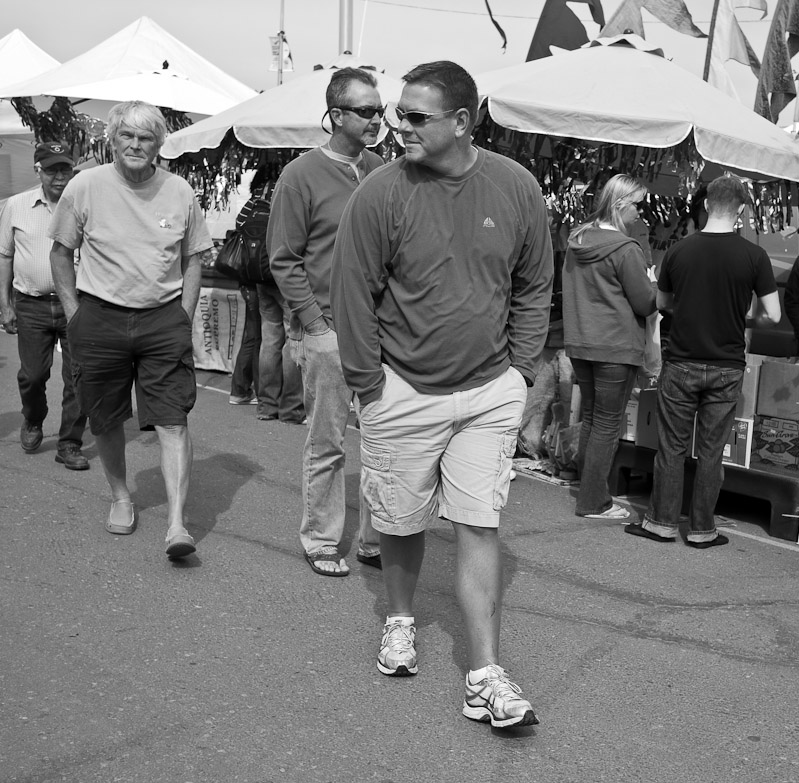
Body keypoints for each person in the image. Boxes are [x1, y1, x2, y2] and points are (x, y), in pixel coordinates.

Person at [331, 61, 553, 727]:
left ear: (461, 121)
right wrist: (370, 387)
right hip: (401, 390)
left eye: (415, 116)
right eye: (396, 113)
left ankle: (484, 674)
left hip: (488, 393)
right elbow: (352, 292)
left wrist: (519, 370)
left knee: (479, 524)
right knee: (400, 523)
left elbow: (534, 281)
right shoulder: (380, 192)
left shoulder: (515, 187)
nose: (398, 125)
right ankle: (400, 619)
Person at [49, 101, 214, 559]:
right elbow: (60, 252)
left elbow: (193, 258)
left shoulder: (179, 190)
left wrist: (182, 314)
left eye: (146, 138)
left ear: (159, 144)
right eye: (128, 135)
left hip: (163, 320)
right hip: (99, 317)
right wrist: (74, 313)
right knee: (105, 416)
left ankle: (177, 523)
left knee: (173, 418)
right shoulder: (85, 185)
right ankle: (121, 497)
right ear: (113, 139)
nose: (136, 145)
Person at [267, 67, 384, 575]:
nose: (377, 119)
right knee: (328, 441)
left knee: (383, 442)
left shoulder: (382, 169)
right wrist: (315, 326)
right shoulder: (300, 175)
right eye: (366, 110)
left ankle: (376, 538)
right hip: (329, 331)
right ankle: (320, 538)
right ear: (336, 115)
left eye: (380, 110)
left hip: (378, 332)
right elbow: (283, 258)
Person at [626, 175, 781, 548]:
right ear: (741, 210)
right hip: (727, 365)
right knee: (712, 452)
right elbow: (774, 315)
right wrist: (741, 316)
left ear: (707, 205)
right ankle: (702, 529)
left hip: (681, 361)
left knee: (672, 448)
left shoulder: (679, 250)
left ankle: (661, 524)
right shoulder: (755, 256)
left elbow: (662, 303)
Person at [562, 174, 657, 519]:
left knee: (592, 419)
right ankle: (593, 501)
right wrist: (655, 286)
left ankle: (589, 491)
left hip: (581, 341)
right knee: (606, 424)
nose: (641, 213)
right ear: (620, 205)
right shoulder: (626, 249)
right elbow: (645, 303)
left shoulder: (578, 241)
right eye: (638, 205)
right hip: (615, 345)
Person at [0, 141, 89, 469]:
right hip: (31, 305)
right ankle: (33, 418)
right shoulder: (16, 205)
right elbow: (5, 256)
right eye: (52, 170)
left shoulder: (83, 205)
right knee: (33, 375)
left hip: (77, 305)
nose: (60, 176)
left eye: (65, 169)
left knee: (79, 375)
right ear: (38, 170)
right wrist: (5, 304)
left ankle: (70, 443)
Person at [240, 167, 305, 423]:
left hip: (260, 277)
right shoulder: (289, 196)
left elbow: (240, 227)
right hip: (285, 277)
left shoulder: (256, 199)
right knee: (292, 340)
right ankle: (291, 409)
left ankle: (267, 406)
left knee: (269, 341)